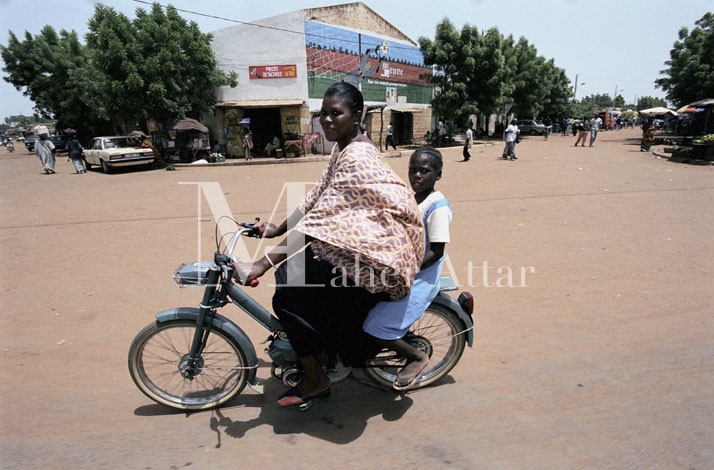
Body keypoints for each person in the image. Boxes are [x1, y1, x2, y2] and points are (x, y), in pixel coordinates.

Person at [235, 81, 424, 408]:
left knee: (289, 300)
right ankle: (317, 352)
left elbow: (318, 222)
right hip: (364, 242)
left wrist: (262, 263)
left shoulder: (358, 156)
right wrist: (277, 229)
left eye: (336, 113)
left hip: (383, 255)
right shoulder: (343, 148)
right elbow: (316, 197)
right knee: (292, 275)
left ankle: (316, 380)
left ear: (357, 115)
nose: (327, 120)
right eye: (324, 113)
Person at [363, 145, 452, 390]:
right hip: (399, 271)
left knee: (375, 327)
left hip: (419, 278)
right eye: (413, 170)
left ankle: (417, 357)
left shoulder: (438, 207)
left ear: (438, 174)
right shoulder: (414, 200)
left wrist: (405, 270)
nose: (417, 176)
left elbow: (436, 251)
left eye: (424, 171)